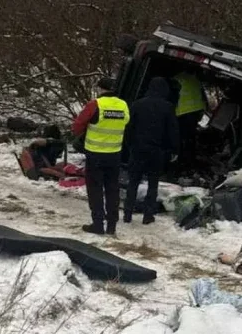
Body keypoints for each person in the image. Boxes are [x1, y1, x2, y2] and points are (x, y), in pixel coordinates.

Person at [72, 78, 130, 235]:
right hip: (114, 155)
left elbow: (78, 125)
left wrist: (82, 135)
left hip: (95, 154)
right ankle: (112, 226)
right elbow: (126, 122)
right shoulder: (123, 105)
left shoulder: (95, 104)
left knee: (95, 190)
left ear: (100, 88)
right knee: (112, 189)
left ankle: (98, 224)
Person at [123, 77, 180, 224]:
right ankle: (148, 215)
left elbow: (128, 128)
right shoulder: (168, 107)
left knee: (133, 182)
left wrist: (129, 145)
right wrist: (173, 150)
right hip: (156, 151)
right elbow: (172, 131)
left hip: (137, 149)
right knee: (153, 183)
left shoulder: (137, 105)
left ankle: (127, 213)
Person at [173, 69, 207, 169]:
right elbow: (203, 97)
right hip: (195, 111)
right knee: (189, 138)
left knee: (179, 138)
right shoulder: (195, 80)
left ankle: (178, 160)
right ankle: (189, 161)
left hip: (182, 113)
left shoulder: (177, 79)